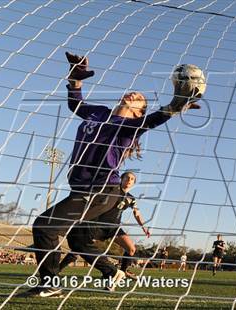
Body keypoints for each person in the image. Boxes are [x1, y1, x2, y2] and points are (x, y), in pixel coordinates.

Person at [31, 52, 203, 297]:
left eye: (140, 99)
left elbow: (153, 120)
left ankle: (50, 283)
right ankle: (113, 273)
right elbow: (74, 104)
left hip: (102, 190)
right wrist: (75, 80)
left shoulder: (130, 128)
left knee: (45, 227)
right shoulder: (99, 112)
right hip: (83, 189)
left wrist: (175, 105)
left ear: (138, 112)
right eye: (133, 93)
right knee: (78, 242)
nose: (134, 94)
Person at [59, 171, 150, 282]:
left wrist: (143, 227)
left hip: (114, 228)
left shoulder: (131, 199)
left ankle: (122, 272)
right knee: (80, 246)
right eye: (127, 177)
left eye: (132, 179)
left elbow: (137, 213)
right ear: (121, 179)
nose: (129, 180)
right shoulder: (112, 190)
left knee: (131, 249)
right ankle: (58, 269)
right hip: (98, 224)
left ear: (133, 183)